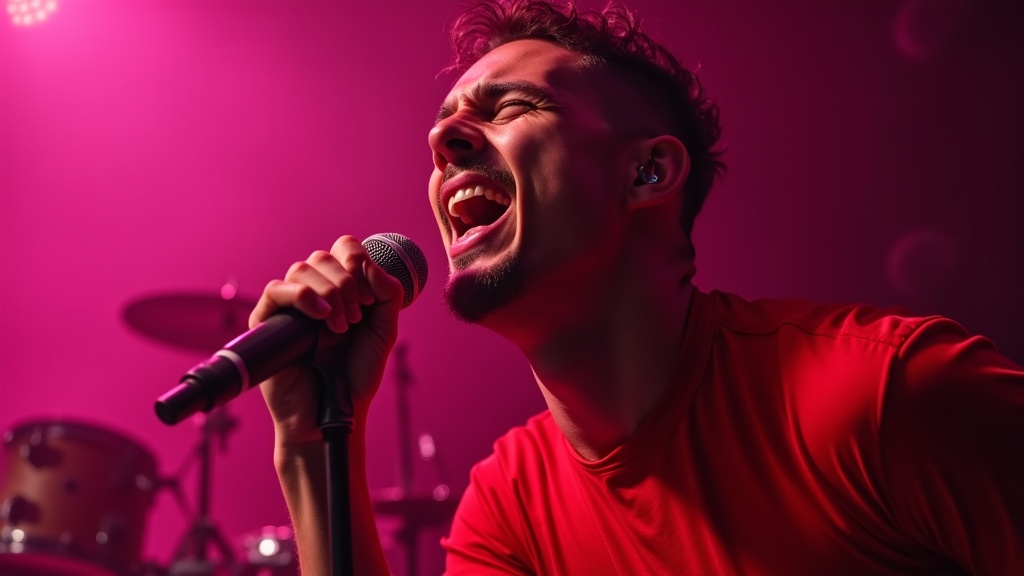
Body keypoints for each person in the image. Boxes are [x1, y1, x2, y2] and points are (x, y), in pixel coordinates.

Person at [250, 1, 1024, 574]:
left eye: (510, 107)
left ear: (647, 174)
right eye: (446, 125)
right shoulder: (512, 510)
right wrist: (314, 440)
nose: (440, 141)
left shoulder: (892, 396)